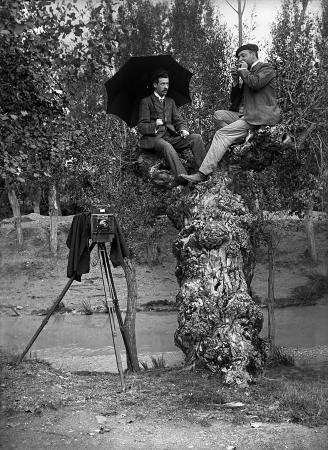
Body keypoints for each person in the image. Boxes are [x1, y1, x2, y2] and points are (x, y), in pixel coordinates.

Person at [181, 43, 281, 184]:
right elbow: (235, 100)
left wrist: (244, 72)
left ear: (253, 54)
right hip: (247, 115)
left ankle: (203, 173)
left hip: (261, 117)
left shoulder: (266, 68)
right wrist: (235, 82)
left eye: (243, 55)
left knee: (221, 134)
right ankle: (236, 138)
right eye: (239, 57)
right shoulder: (247, 72)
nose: (240, 59)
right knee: (219, 115)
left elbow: (255, 84)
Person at [137, 69, 206, 182]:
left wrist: (183, 130)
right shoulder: (146, 102)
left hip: (171, 137)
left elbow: (178, 120)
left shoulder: (170, 101)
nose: (166, 87)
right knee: (166, 146)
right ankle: (183, 178)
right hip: (155, 139)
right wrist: (155, 125)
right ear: (155, 85)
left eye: (167, 84)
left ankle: (204, 172)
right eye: (162, 84)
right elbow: (141, 126)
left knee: (196, 138)